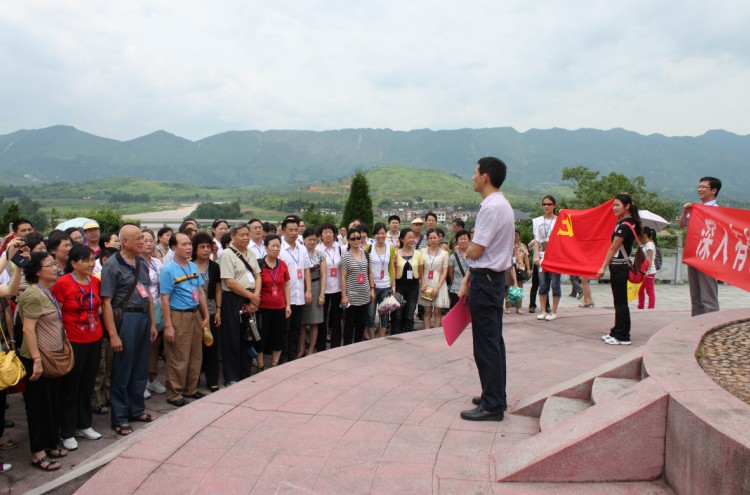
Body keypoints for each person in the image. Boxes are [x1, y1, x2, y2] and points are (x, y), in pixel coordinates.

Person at [458, 156, 514, 422]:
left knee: (486, 344)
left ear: (485, 177)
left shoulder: (490, 208)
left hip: (486, 280)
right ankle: (494, 394)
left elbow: (476, 250)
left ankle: (492, 405)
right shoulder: (502, 204)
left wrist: (467, 250)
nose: (472, 177)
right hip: (494, 279)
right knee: (493, 341)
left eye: (475, 172)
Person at [100, 225, 158, 436]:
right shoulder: (112, 265)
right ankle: (120, 418)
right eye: (138, 238)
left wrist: (152, 323)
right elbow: (106, 302)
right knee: (122, 369)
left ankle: (137, 410)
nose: (143, 241)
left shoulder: (141, 262)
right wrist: (113, 334)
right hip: (126, 319)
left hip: (143, 316)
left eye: (143, 237)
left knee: (140, 368)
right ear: (125, 242)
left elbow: (148, 293)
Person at [17, 251, 69, 470]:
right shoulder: (32, 294)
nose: (56, 268)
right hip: (37, 358)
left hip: (51, 356)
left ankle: (50, 443)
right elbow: (28, 330)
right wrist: (36, 360)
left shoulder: (46, 291)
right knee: (37, 406)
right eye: (50, 265)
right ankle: (38, 453)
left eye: (55, 264)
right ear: (38, 271)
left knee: (51, 403)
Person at [51, 244, 105, 451]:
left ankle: (84, 424)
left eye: (92, 259)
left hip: (94, 338)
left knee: (87, 383)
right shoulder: (63, 283)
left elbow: (98, 307)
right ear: (73, 263)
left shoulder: (95, 282)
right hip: (73, 340)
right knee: (71, 386)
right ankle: (67, 431)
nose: (91, 264)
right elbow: (56, 314)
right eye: (86, 260)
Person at [160, 233, 209, 407]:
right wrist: (168, 325)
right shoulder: (168, 270)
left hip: (194, 314)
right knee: (178, 356)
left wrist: (206, 315)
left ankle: (190, 389)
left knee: (196, 355)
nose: (189, 247)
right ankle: (174, 393)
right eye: (184, 244)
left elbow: (200, 292)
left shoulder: (192, 266)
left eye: (189, 244)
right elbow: (164, 299)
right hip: (178, 315)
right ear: (174, 248)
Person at [219, 223, 261, 384]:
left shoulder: (251, 253)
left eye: (247, 234)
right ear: (232, 237)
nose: (245, 238)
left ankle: (245, 373)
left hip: (250, 297)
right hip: (233, 299)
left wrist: (255, 297)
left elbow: (258, 276)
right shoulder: (227, 254)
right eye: (241, 235)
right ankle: (232, 376)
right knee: (232, 338)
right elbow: (230, 282)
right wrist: (252, 296)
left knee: (248, 337)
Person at [597, 194, 641, 345]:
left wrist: (602, 267)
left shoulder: (624, 226)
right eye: (613, 205)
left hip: (619, 266)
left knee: (621, 302)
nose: (614, 208)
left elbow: (612, 248)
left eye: (617, 205)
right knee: (619, 301)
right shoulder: (625, 223)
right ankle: (616, 331)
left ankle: (623, 336)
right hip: (619, 265)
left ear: (627, 206)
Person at [678, 176, 722, 316]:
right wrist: (685, 212)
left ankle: (711, 321)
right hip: (694, 253)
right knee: (695, 293)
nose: (700, 189)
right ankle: (696, 321)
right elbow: (682, 225)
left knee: (708, 293)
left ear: (714, 190)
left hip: (707, 255)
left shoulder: (716, 211)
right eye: (699, 186)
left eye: (704, 187)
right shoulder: (695, 208)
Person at [191, 233, 222, 392]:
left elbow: (218, 289)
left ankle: (212, 380)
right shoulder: (188, 265)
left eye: (208, 246)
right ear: (195, 249)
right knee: (194, 348)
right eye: (202, 246)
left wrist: (218, 310)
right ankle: (193, 380)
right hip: (192, 311)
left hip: (210, 310)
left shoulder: (214, 266)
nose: (205, 250)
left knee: (211, 346)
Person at [279, 218, 310, 361]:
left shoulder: (302, 248)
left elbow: (306, 270)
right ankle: (282, 356)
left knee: (295, 329)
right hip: (284, 296)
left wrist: (308, 290)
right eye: (290, 230)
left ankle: (292, 356)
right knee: (283, 329)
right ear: (283, 231)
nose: (293, 233)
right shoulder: (279, 248)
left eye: (296, 230)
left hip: (299, 295)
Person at [257, 235, 291, 368]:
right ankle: (260, 364)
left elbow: (286, 285)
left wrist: (288, 305)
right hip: (262, 307)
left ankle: (275, 363)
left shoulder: (282, 264)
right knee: (261, 336)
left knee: (278, 336)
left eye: (278, 246)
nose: (276, 249)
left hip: (279, 307)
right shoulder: (259, 264)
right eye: (273, 246)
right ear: (266, 247)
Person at [141, 230, 166, 398]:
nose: (149, 243)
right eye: (145, 240)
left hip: (158, 305)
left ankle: (152, 378)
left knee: (155, 346)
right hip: (143, 306)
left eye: (151, 240)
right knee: (142, 346)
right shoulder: (135, 262)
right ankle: (141, 381)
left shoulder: (157, 262)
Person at [340, 226, 375, 344]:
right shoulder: (346, 257)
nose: (356, 240)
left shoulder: (366, 254)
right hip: (351, 296)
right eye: (353, 238)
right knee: (349, 324)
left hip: (364, 295)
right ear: (348, 241)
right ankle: (348, 346)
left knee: (361, 323)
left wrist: (372, 290)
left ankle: (358, 346)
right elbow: (343, 278)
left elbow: (370, 273)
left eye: (358, 238)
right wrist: (344, 296)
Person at [531, 195, 561, 321]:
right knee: (543, 284)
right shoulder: (537, 221)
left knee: (555, 284)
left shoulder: (559, 220)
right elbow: (536, 240)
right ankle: (543, 310)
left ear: (554, 206)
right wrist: (536, 255)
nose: (546, 206)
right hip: (542, 255)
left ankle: (554, 311)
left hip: (555, 256)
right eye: (544, 204)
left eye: (549, 204)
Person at [365, 222, 396, 339]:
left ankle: (382, 338)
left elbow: (391, 267)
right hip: (372, 286)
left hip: (386, 286)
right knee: (370, 314)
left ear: (386, 234)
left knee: (385, 314)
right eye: (378, 233)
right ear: (374, 234)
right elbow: (366, 268)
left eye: (383, 233)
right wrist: (370, 287)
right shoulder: (369, 248)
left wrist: (393, 284)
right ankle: (372, 338)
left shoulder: (390, 249)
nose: (380, 236)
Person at [315, 223, 343, 350]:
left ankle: (335, 344)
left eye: (330, 232)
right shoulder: (317, 250)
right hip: (323, 289)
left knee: (336, 316)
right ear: (320, 235)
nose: (328, 235)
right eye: (325, 232)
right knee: (322, 317)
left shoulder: (339, 248)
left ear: (334, 235)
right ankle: (320, 345)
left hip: (338, 287)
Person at [391, 228, 423, 334]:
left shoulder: (418, 254)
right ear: (402, 239)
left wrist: (422, 283)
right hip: (399, 287)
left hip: (413, 288)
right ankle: (395, 333)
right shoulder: (396, 253)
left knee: (410, 313)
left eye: (413, 237)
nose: (411, 240)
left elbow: (420, 271)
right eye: (408, 237)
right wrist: (393, 286)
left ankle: (408, 334)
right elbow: (392, 271)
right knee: (397, 313)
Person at [299, 228, 325, 356]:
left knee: (315, 321)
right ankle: (301, 348)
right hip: (300, 287)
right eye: (310, 239)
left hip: (315, 286)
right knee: (301, 322)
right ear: (304, 239)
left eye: (315, 239)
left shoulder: (320, 254)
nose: (312, 242)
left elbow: (323, 276)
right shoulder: (299, 252)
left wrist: (322, 294)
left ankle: (311, 349)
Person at [419, 229, 450, 329]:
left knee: (437, 311)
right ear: (427, 240)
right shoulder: (422, 251)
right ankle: (426, 332)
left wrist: (438, 287)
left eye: (435, 237)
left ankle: (435, 333)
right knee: (427, 311)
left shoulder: (444, 253)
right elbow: (420, 269)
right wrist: (423, 283)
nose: (432, 240)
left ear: (439, 238)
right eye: (430, 238)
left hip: (439, 283)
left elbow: (445, 271)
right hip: (426, 282)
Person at [508, 229, 530, 314]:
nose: (515, 237)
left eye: (516, 235)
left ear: (519, 236)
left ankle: (518, 307)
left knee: (519, 288)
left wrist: (528, 269)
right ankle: (508, 307)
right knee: (510, 287)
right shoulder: (508, 245)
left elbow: (526, 258)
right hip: (509, 268)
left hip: (520, 268)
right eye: (513, 235)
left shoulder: (523, 246)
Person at [448, 229, 471, 309]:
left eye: (465, 239)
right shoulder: (453, 257)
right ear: (457, 241)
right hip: (456, 289)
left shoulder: (474, 255)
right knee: (456, 312)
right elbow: (451, 274)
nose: (463, 241)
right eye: (460, 239)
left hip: (472, 289)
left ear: (469, 240)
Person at [637, 227, 658, 310]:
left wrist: (648, 271)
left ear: (645, 234)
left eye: (641, 233)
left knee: (650, 291)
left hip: (649, 271)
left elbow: (649, 258)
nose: (640, 235)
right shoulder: (648, 244)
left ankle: (650, 308)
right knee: (641, 290)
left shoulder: (649, 245)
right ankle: (641, 306)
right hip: (646, 270)